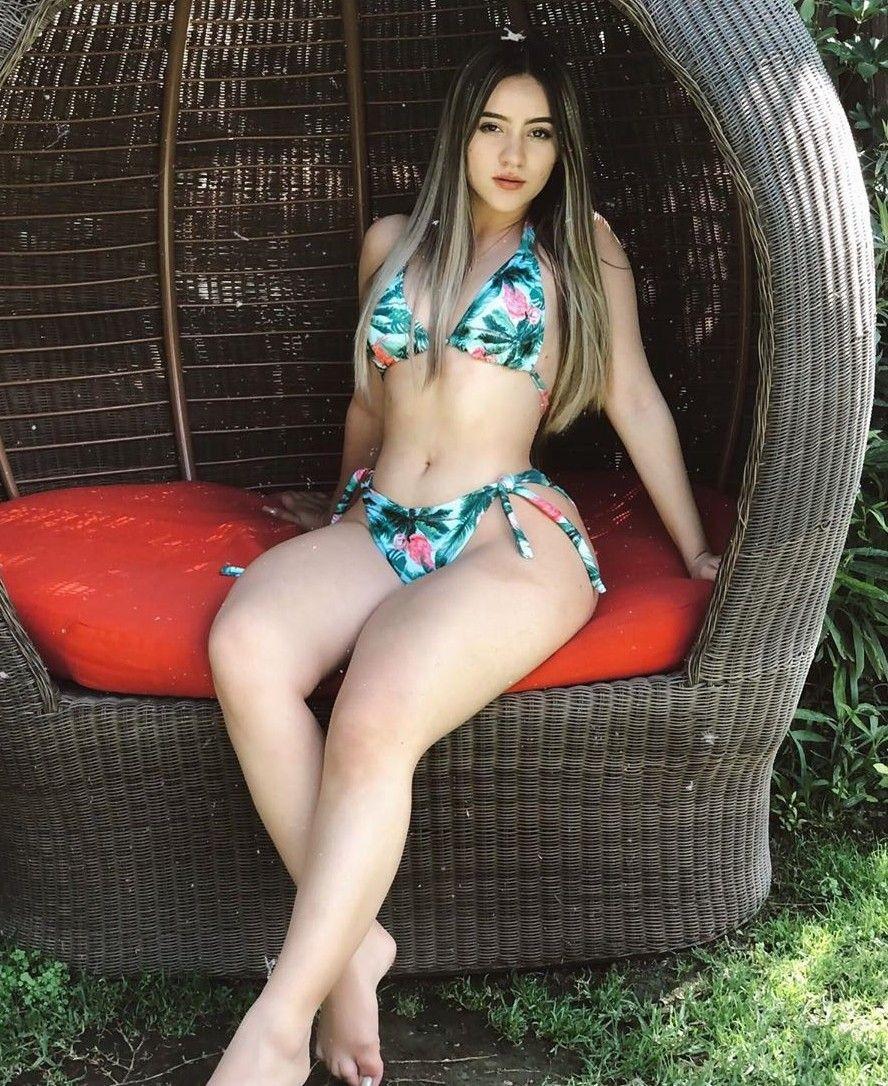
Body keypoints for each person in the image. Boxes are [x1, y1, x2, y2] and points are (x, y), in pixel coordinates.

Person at [205, 29, 722, 1086]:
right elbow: (367, 401)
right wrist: (334, 512)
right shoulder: (391, 243)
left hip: (506, 533)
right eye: (493, 127)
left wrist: (697, 546)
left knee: (373, 713)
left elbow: (633, 398)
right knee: (246, 644)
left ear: (561, 151)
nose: (514, 154)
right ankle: (358, 945)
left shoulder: (583, 250)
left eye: (539, 133)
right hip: (382, 522)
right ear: (460, 135)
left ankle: (279, 1025)